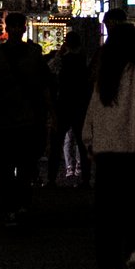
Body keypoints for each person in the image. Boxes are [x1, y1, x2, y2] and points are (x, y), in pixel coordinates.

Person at [83, 14, 135, 269]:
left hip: (105, 149)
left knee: (107, 210)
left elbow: (92, 110)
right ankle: (134, 252)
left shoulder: (104, 73)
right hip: (133, 148)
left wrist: (89, 140)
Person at [0, 10, 48, 224]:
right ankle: (19, 205)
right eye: (15, 26)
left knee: (12, 163)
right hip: (20, 117)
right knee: (19, 163)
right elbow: (44, 85)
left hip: (9, 117)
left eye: (19, 26)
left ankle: (12, 205)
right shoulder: (32, 54)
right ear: (9, 29)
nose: (17, 30)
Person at [51, 20, 98, 184]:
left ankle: (52, 178)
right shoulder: (86, 60)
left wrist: (59, 54)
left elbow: (50, 71)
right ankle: (85, 177)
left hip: (63, 104)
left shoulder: (62, 61)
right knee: (82, 142)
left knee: (58, 142)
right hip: (81, 105)